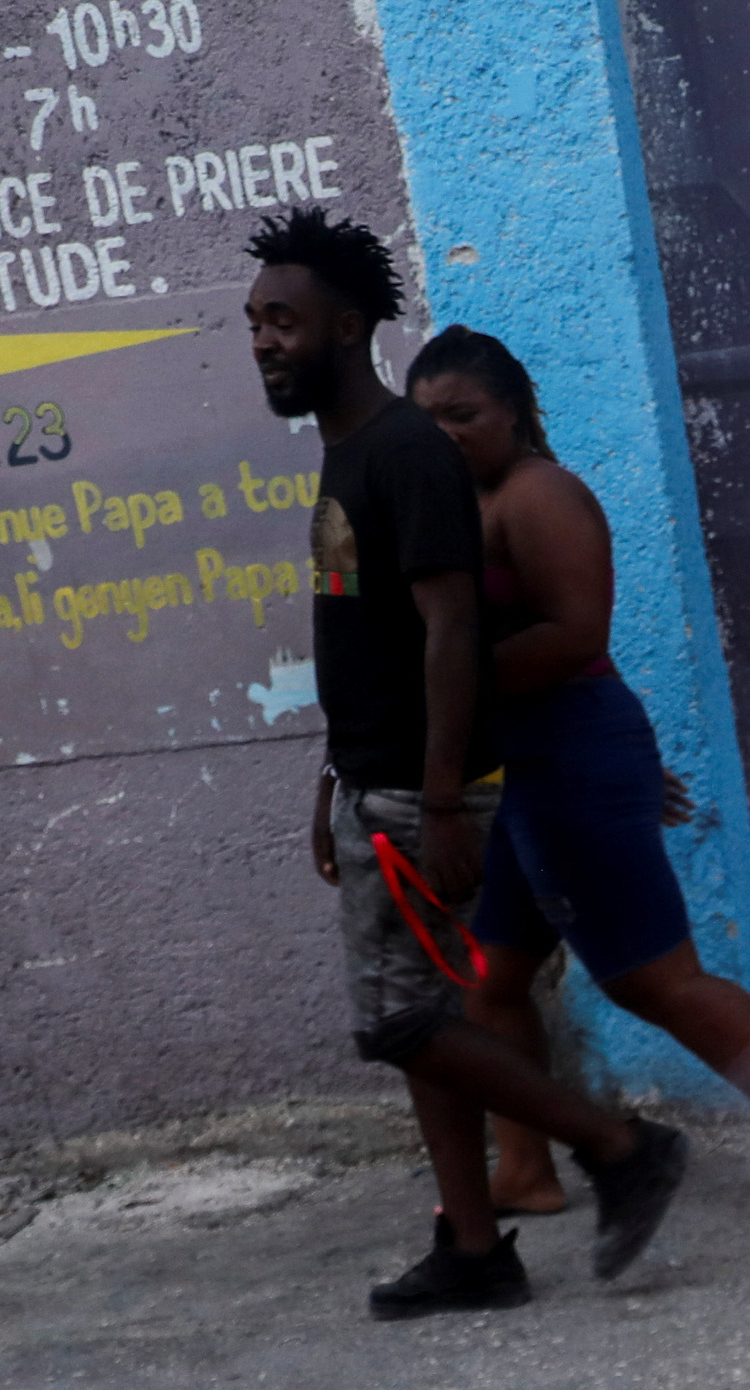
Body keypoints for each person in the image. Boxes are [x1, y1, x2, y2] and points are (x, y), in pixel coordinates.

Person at [242, 207, 685, 1314]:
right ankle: (476, 1247)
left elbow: (451, 635)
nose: (263, 342)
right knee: (426, 1031)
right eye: (254, 324)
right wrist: (330, 782)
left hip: (421, 793)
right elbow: (372, 643)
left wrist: (441, 800)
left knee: (398, 1022)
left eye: (284, 323)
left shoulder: (404, 455)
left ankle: (618, 1145)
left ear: (348, 328)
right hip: (375, 779)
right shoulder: (352, 456)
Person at [398, 326, 750, 1224]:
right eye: (428, 420)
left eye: (465, 415)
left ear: (514, 412)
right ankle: (525, 1171)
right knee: (490, 982)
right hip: (532, 769)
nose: (448, 434)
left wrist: (436, 684)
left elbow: (576, 638)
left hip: (569, 758)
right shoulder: (460, 505)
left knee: (655, 981)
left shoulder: (540, 495)